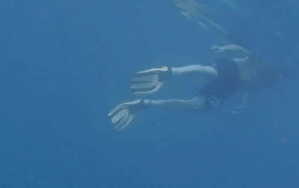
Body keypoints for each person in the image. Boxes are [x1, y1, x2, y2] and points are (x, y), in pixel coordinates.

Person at [107, 44, 283, 130]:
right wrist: (223, 49)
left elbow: (252, 89)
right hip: (232, 76)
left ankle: (157, 87)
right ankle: (153, 93)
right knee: (206, 78)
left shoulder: (267, 77)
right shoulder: (265, 58)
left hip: (231, 83)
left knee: (198, 97)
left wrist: (244, 105)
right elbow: (245, 50)